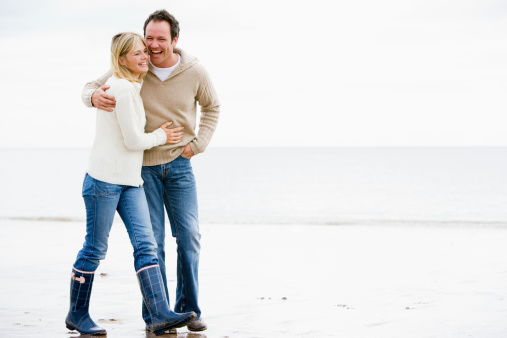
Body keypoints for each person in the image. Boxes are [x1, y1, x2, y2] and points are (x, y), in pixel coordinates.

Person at [81, 10, 220, 332]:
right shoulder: (135, 67)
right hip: (142, 169)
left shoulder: (195, 71)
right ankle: (157, 315)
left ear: (175, 40)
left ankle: (189, 310)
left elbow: (212, 107)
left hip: (180, 166)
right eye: (149, 39)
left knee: (189, 237)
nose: (153, 46)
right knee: (152, 243)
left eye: (160, 39)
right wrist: (93, 96)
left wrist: (197, 145)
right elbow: (91, 86)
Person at [66, 32, 196, 336]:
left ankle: (159, 313)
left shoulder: (129, 84)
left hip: (130, 181)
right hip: (103, 182)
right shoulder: (122, 88)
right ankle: (77, 313)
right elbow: (134, 140)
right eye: (137, 53)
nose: (144, 56)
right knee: (95, 249)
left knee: (146, 245)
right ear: (121, 59)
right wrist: (163, 136)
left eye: (144, 51)